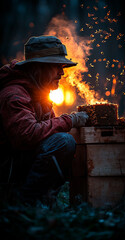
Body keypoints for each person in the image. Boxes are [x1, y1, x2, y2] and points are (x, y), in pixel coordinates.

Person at [0, 35, 88, 206]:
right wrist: (70, 121)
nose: (62, 73)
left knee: (66, 142)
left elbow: (48, 132)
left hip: (20, 165)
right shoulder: (14, 94)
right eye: (57, 67)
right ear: (39, 68)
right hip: (7, 173)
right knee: (63, 142)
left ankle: (43, 201)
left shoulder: (40, 94)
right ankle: (26, 203)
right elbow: (27, 135)